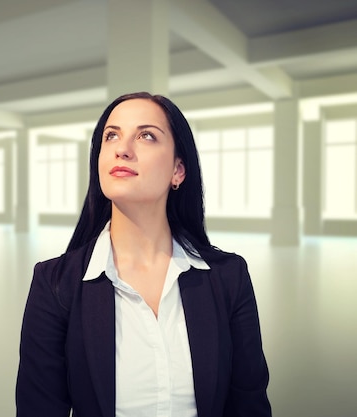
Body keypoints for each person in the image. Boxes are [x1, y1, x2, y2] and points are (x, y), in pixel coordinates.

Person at [15, 92, 271, 417]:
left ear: (178, 170)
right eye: (111, 135)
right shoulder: (54, 284)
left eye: (146, 135)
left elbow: (249, 406)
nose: (122, 149)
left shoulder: (229, 277)